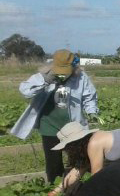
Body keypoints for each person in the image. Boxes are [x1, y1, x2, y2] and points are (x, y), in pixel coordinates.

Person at [11, 49, 101, 183]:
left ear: (73, 67)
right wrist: (45, 82)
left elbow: (89, 96)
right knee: (53, 162)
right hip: (49, 126)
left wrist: (92, 111)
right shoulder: (43, 76)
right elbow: (25, 91)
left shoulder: (81, 77)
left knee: (78, 158)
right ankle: (54, 187)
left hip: (73, 126)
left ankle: (74, 185)